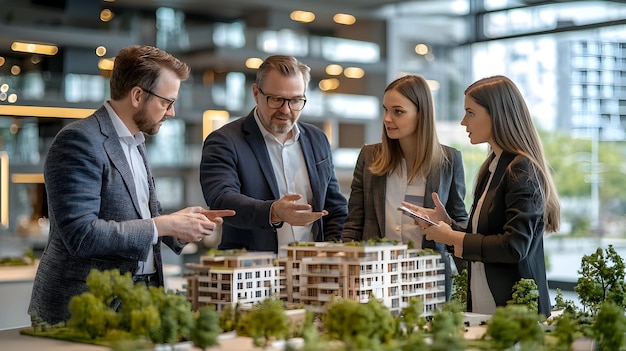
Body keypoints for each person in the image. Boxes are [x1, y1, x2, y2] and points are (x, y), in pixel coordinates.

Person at [28, 45, 235, 325]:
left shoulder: (137, 143)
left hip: (140, 299)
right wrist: (166, 225)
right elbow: (81, 234)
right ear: (137, 95)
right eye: (167, 102)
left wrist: (184, 226)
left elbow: (143, 219)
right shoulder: (78, 141)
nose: (171, 113)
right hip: (84, 308)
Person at [404, 75, 560, 317]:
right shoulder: (492, 167)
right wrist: (446, 224)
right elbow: (484, 239)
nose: (463, 121)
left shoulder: (520, 168)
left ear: (496, 115)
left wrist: (451, 235)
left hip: (516, 312)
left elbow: (513, 246)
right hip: (486, 307)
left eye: (470, 113)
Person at [200, 55, 348, 254]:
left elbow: (334, 208)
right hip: (252, 272)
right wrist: (273, 212)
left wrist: (332, 253)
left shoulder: (317, 139)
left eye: (296, 100)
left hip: (312, 269)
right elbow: (222, 199)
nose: (285, 110)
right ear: (256, 93)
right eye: (276, 99)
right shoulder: (225, 140)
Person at [340, 74, 468, 300]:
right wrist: (344, 270)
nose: (387, 118)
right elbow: (354, 222)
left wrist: (470, 278)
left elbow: (458, 220)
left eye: (398, 111)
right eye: (385, 110)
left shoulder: (449, 160)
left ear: (422, 114)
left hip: (428, 280)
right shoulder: (370, 157)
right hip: (375, 278)